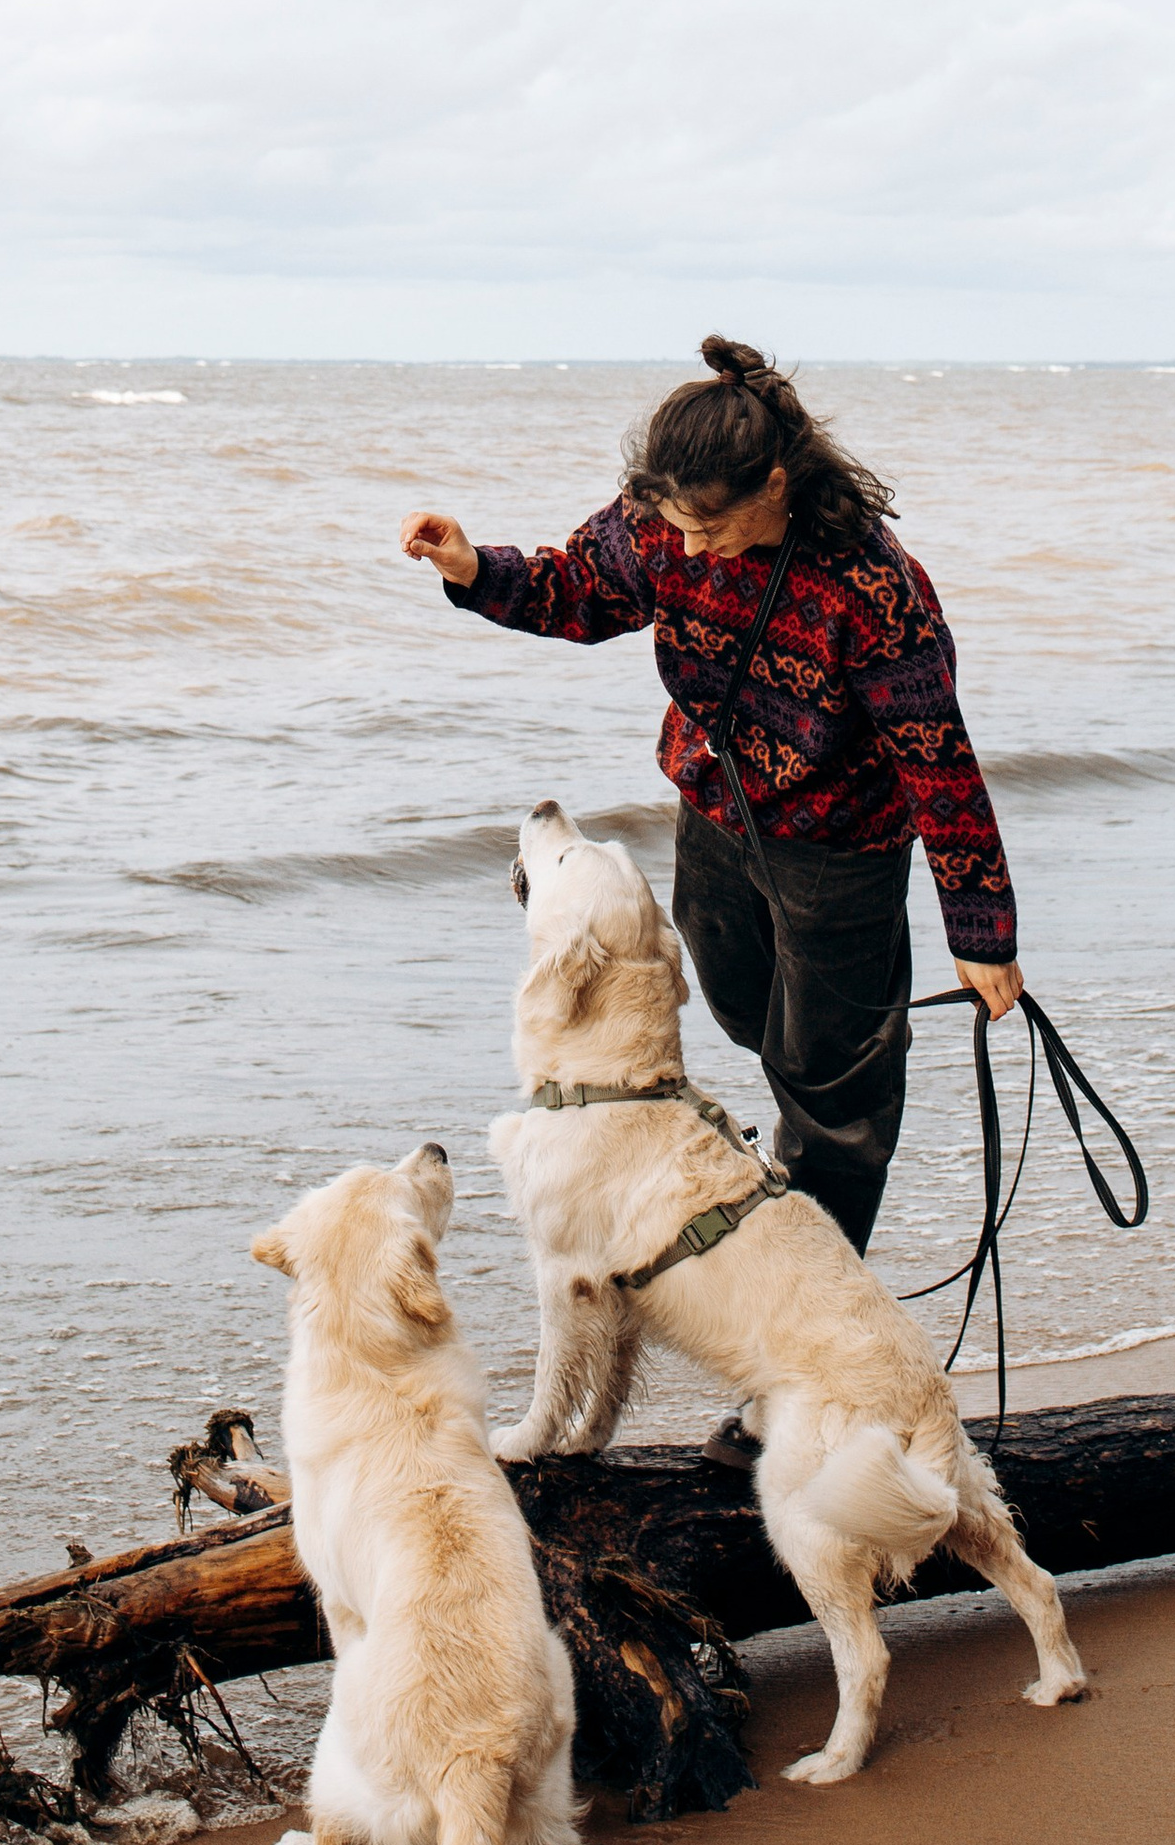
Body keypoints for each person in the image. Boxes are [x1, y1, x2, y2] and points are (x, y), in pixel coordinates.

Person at [400, 334, 1023, 1279]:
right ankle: (809, 1139)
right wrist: (475, 572)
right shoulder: (660, 519)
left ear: (776, 484)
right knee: (747, 1018)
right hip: (717, 815)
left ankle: (804, 1323)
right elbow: (581, 588)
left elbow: (940, 765)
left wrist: (981, 933)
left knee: (836, 1099)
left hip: (839, 852)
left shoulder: (874, 588)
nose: (688, 551)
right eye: (677, 529)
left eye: (709, 530)